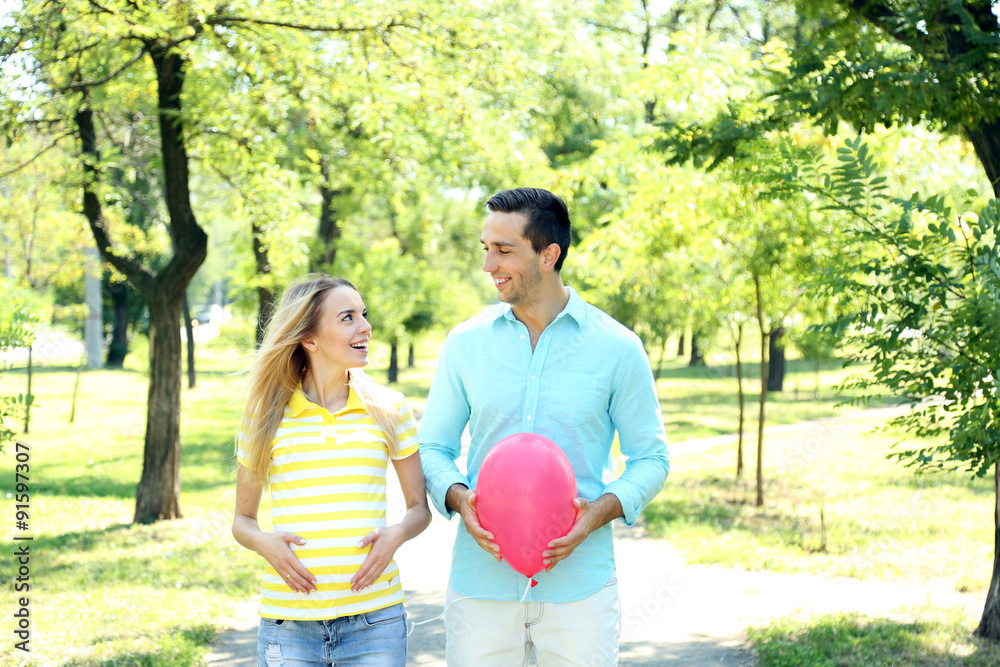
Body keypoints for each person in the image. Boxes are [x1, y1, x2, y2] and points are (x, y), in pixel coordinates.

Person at [420, 187, 670, 666]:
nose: (489, 264)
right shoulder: (465, 343)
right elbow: (432, 445)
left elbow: (652, 459)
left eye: (504, 250)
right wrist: (457, 498)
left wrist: (596, 513)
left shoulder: (617, 347)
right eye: (485, 248)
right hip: (481, 585)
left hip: (580, 589)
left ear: (549, 255)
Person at [232, 275, 431, 667]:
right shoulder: (265, 415)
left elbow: (419, 508)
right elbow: (242, 520)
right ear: (310, 338)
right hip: (289, 623)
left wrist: (397, 534)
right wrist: (262, 542)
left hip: (375, 621)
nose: (365, 326)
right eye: (347, 317)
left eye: (364, 314)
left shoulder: (390, 408)